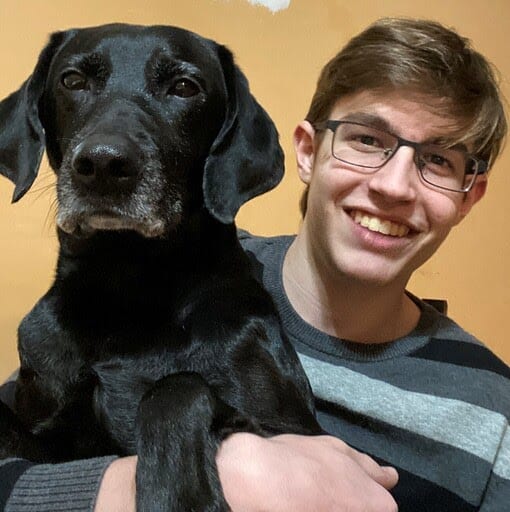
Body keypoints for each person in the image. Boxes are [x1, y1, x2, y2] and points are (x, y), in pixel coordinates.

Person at [1, 16, 509, 512]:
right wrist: (174, 480)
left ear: (470, 196)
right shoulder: (123, 293)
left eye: (439, 160)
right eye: (367, 140)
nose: (393, 187)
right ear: (308, 152)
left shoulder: (494, 415)